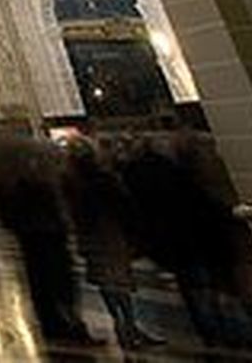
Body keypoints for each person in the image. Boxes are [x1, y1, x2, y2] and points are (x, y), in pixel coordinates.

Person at [0, 128, 100, 346]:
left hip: (35, 236)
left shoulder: (7, 185)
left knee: (41, 281)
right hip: (46, 235)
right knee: (58, 279)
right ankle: (68, 324)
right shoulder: (34, 186)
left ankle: (55, 324)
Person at [62, 138, 163, 350]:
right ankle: (129, 325)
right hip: (110, 234)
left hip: (90, 236)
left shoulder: (72, 183)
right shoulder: (104, 179)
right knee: (120, 280)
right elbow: (123, 206)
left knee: (105, 281)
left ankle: (120, 323)